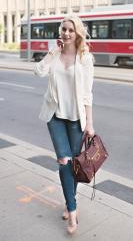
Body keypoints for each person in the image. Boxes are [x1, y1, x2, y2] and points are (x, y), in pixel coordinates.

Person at [34, 15, 94, 234]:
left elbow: (88, 94)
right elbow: (38, 71)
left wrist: (90, 123)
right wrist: (52, 53)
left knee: (73, 165)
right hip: (55, 117)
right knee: (63, 161)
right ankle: (73, 211)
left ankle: (70, 202)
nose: (66, 33)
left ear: (77, 32)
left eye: (70, 30)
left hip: (77, 119)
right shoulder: (56, 54)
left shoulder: (85, 58)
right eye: (63, 29)